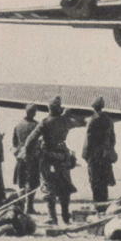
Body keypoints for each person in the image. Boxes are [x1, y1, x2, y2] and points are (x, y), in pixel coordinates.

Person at [23, 96, 86, 225]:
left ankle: (52, 217)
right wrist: (66, 115)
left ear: (49, 108)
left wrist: (30, 155)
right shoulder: (65, 121)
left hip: (48, 159)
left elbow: (29, 141)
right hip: (63, 158)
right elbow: (82, 122)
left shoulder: (45, 123)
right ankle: (65, 217)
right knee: (64, 186)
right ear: (59, 108)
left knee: (48, 187)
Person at [82, 96, 117, 205]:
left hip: (95, 155)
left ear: (93, 107)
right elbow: (113, 138)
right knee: (104, 181)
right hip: (105, 155)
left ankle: (98, 204)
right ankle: (104, 204)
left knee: (95, 181)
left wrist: (85, 155)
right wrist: (109, 150)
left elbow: (89, 138)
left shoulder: (92, 120)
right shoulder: (109, 120)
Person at [12, 103, 40, 214]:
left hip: (20, 157)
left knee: (21, 182)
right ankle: (29, 207)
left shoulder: (18, 125)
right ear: (34, 112)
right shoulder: (37, 126)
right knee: (33, 183)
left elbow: (14, 143)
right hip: (33, 158)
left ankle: (22, 207)